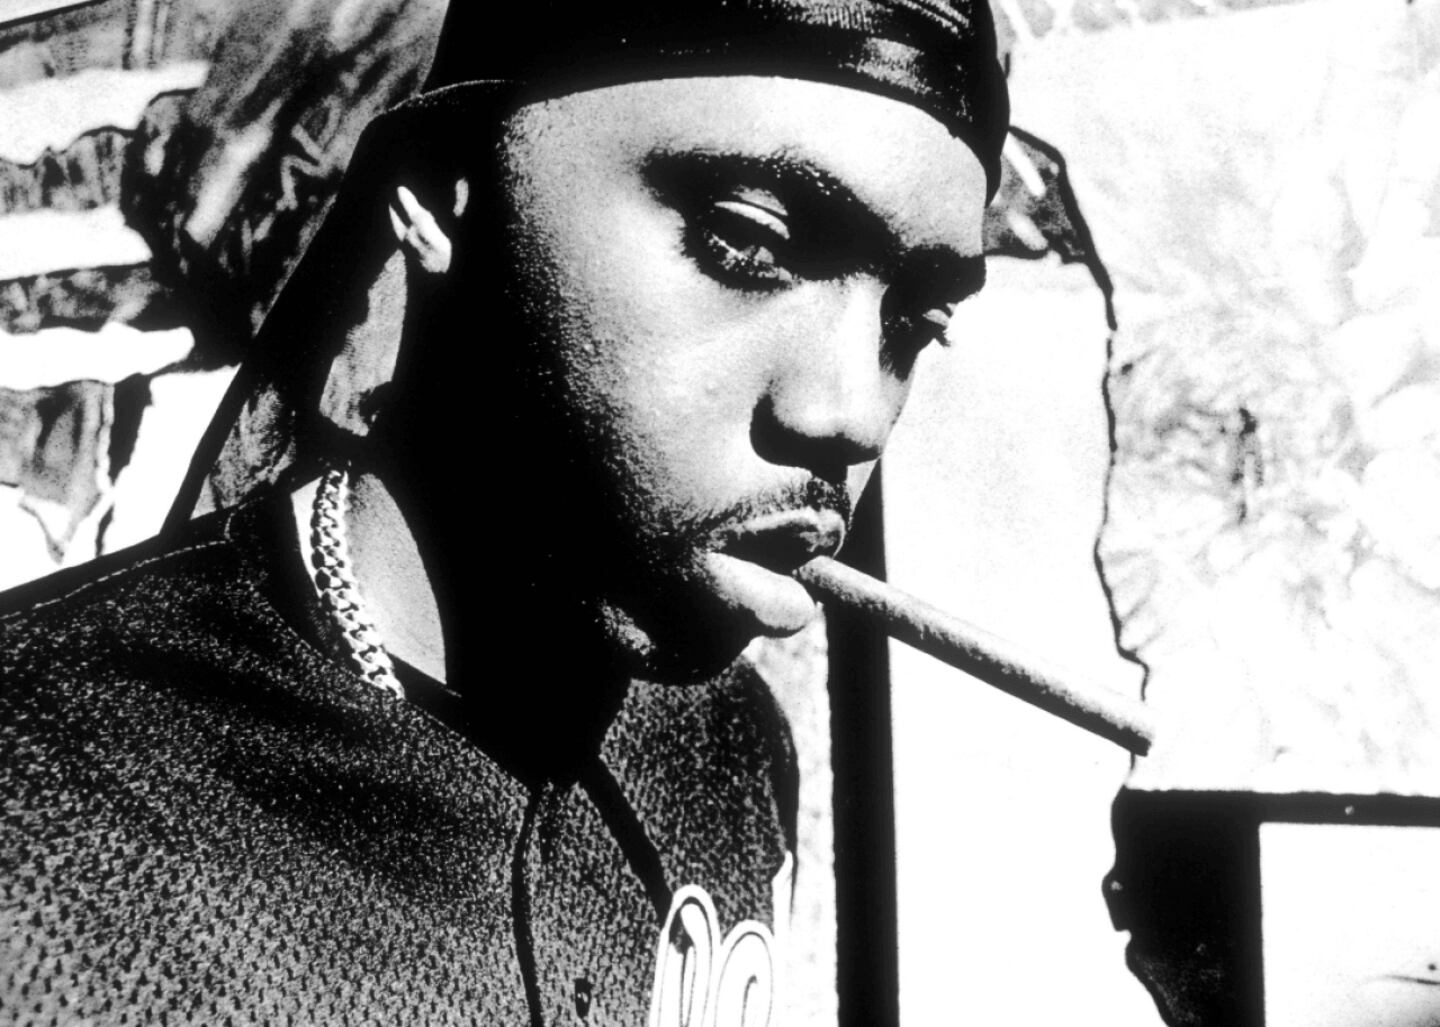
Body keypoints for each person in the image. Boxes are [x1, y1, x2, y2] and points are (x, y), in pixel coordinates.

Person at [0, 2, 1008, 1023]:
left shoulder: (732, 756)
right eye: (746, 241)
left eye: (915, 321)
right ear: (442, 196)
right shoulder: (39, 827)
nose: (853, 414)